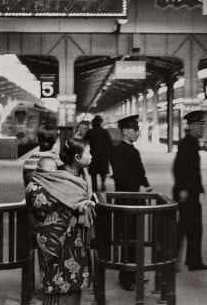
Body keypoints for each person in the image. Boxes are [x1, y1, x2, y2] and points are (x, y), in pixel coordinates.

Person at [25, 138, 96, 305]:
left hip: (75, 242)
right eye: (89, 152)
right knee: (57, 287)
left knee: (74, 285)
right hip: (57, 241)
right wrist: (71, 207)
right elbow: (35, 197)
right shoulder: (54, 177)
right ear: (77, 157)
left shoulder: (83, 176)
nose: (92, 156)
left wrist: (82, 206)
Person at [110, 115, 152, 290]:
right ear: (125, 131)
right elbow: (120, 178)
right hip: (127, 201)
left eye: (138, 129)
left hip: (136, 200)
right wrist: (138, 188)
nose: (138, 133)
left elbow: (140, 172)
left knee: (136, 240)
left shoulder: (132, 150)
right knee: (128, 240)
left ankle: (135, 273)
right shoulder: (119, 150)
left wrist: (147, 186)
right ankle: (126, 278)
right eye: (135, 130)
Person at [172, 110, 207, 271]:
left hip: (192, 192)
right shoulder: (186, 143)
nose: (203, 128)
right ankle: (172, 259)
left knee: (194, 228)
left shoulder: (193, 143)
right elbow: (178, 168)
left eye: (203, 125)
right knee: (183, 228)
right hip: (186, 193)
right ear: (192, 126)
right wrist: (182, 189)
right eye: (200, 125)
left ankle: (193, 260)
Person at [84, 115, 113, 192]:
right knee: (103, 171)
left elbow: (84, 140)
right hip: (104, 155)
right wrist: (111, 153)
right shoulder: (105, 131)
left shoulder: (90, 131)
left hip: (93, 155)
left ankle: (94, 188)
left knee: (93, 173)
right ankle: (103, 183)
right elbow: (110, 142)